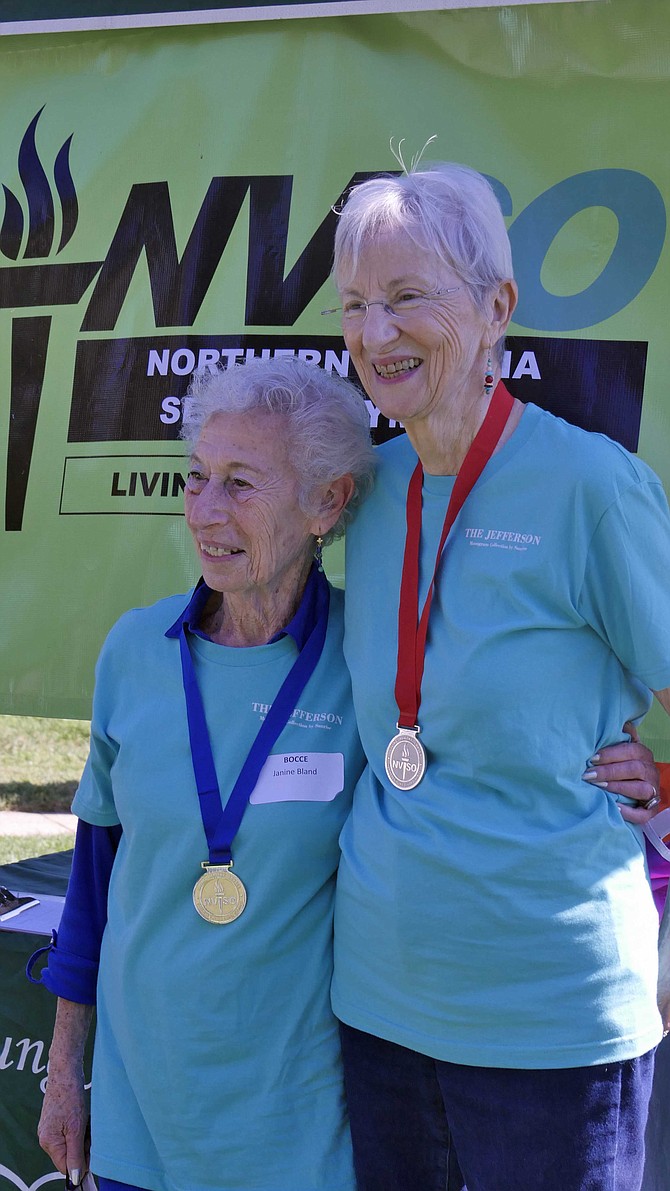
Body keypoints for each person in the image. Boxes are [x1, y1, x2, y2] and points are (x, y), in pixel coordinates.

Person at [325, 162, 670, 1191]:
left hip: (547, 1012)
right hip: (379, 998)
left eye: (408, 296)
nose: (376, 332)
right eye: (355, 305)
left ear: (496, 309)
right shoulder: (368, 490)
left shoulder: (588, 486)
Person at [30, 357, 376, 1191]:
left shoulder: (366, 662)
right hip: (139, 1118)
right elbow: (93, 886)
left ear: (326, 502)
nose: (205, 510)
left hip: (301, 1129)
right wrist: (62, 1074)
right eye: (196, 477)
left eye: (241, 483)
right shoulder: (134, 651)